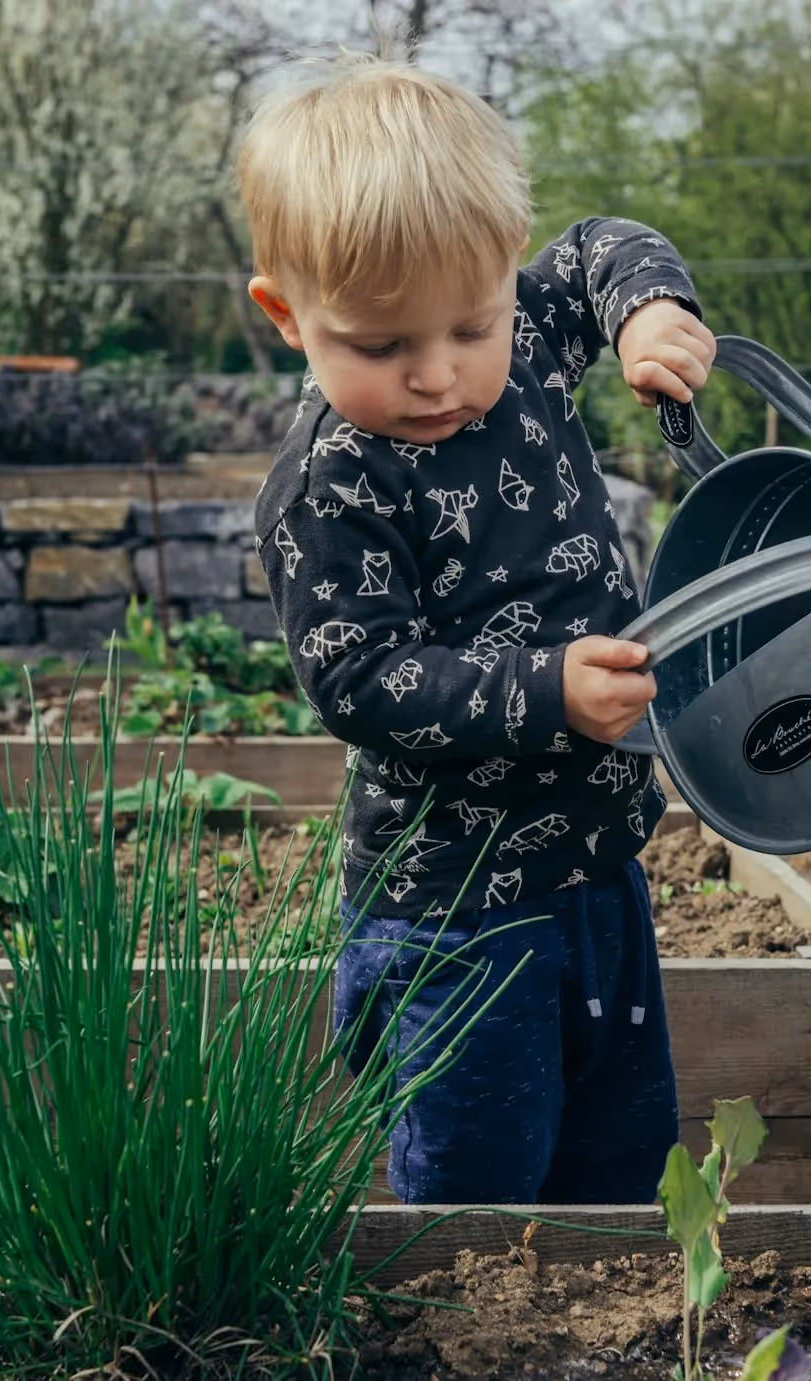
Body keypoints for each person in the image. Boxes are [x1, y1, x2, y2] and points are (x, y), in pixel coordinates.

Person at [238, 51, 716, 1205]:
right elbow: (360, 678)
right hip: (454, 913)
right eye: (377, 345)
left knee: (619, 1152)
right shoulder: (330, 486)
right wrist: (544, 689)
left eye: (470, 324)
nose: (437, 374)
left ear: (506, 274)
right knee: (477, 1184)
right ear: (284, 314)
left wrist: (651, 310)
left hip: (600, 865)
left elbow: (602, 242)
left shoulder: (534, 338)